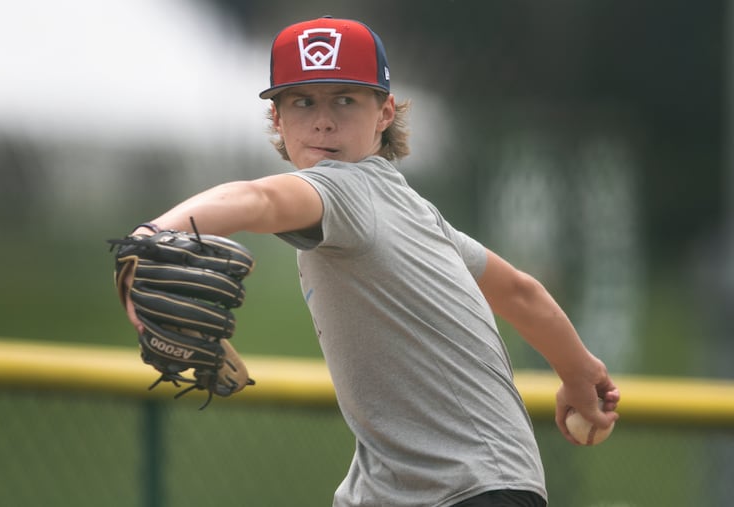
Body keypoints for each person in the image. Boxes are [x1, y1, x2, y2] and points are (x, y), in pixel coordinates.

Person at [121, 16, 620, 507]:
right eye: (302, 101)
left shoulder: (343, 190)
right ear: (276, 118)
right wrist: (580, 373)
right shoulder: (414, 211)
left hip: (470, 487)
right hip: (435, 483)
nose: (323, 119)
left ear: (384, 112)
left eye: (345, 99)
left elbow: (258, 199)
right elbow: (518, 292)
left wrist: (153, 237)